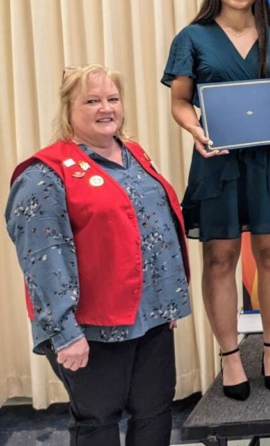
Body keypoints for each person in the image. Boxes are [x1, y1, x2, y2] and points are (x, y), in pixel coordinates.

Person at [6, 65, 191, 445]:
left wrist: (165, 302)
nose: (105, 108)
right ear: (68, 110)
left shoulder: (135, 154)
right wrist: (65, 333)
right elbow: (42, 258)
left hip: (151, 319)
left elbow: (157, 226)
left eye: (112, 99)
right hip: (90, 327)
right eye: (92, 101)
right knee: (98, 423)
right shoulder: (44, 173)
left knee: (155, 412)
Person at [163, 0, 270, 399]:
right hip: (217, 162)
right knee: (220, 257)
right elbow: (180, 102)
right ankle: (229, 357)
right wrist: (195, 129)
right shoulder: (193, 37)